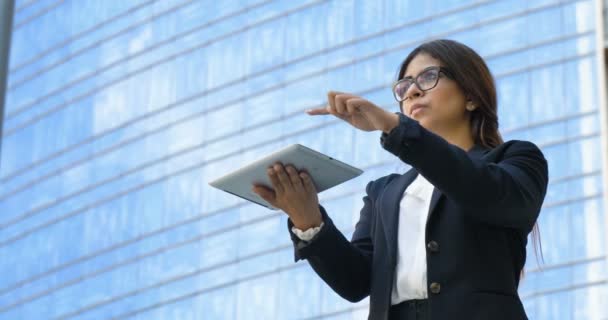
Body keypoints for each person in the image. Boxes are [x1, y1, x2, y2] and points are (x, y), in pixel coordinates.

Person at [251, 39, 548, 320]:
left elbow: (482, 190)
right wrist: (308, 221)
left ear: (470, 96)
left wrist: (393, 125)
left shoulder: (516, 160)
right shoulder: (384, 192)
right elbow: (355, 281)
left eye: (429, 77)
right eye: (404, 86)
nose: (412, 92)